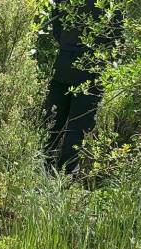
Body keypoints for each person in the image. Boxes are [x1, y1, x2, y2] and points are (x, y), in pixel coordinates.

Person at [44, 0, 104, 174]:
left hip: (65, 61)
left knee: (51, 121)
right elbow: (117, 35)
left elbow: (57, 25)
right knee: (77, 127)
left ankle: (42, 171)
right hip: (92, 67)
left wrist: (67, 44)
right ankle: (67, 176)